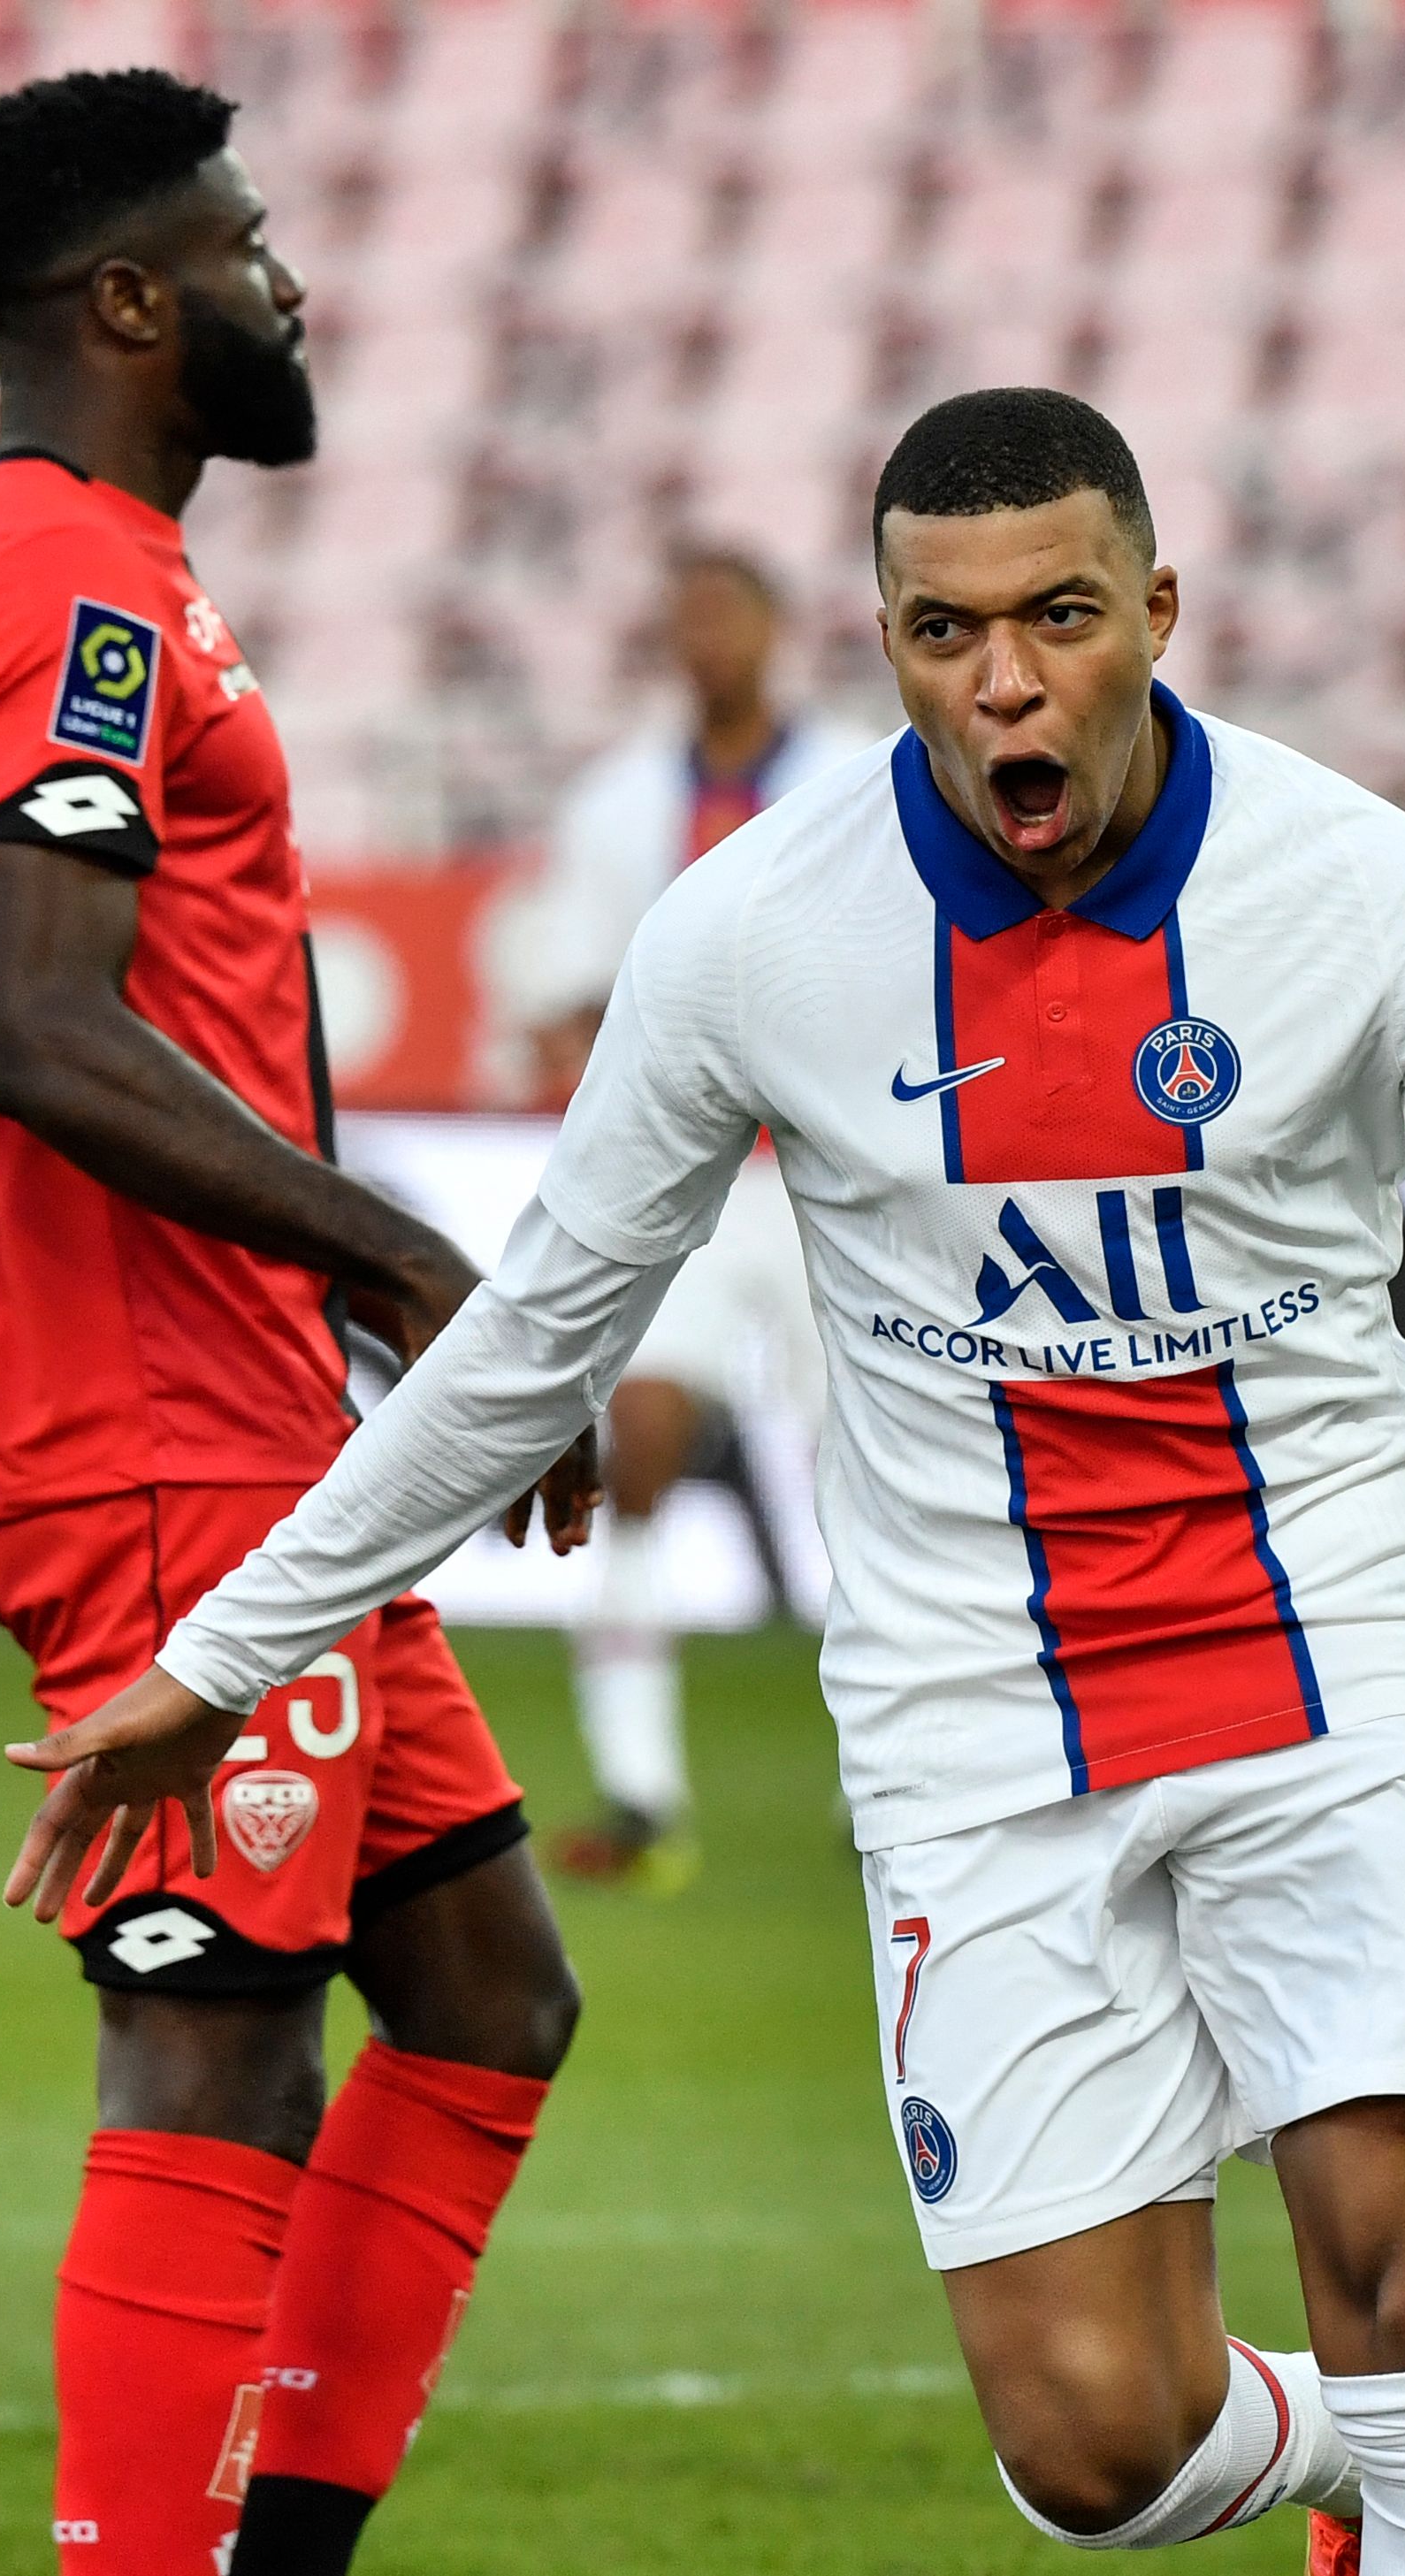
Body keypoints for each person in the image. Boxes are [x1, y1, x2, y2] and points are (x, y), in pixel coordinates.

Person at [1, 386, 1405, 2575]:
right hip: (973, 1717)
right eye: (946, 631)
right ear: (890, 643)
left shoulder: (1373, 892)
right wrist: (230, 1656)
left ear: (1159, 614)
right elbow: (532, 1338)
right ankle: (1341, 2475)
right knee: (1093, 2447)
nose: (1006, 683)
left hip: (1331, 1652)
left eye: (1059, 617)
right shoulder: (747, 939)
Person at [0, 72, 598, 2576]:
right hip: (150, 1431)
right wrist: (410, 1261)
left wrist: (365, 1341)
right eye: (250, 245)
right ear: (131, 301)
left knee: (492, 1995)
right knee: (213, 2042)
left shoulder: (69, 574)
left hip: (257, 1424)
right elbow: (54, 1027)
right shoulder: (63, 584)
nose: (293, 286)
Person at [515, 545, 875, 1889]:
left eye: (726, 610)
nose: (706, 636)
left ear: (775, 626)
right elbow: (561, 990)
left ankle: (890, 1790)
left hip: (846, 1177)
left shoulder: (860, 773)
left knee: (882, 1481)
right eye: (687, 613)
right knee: (641, 1443)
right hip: (698, 1180)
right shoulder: (617, 802)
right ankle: (642, 1794)